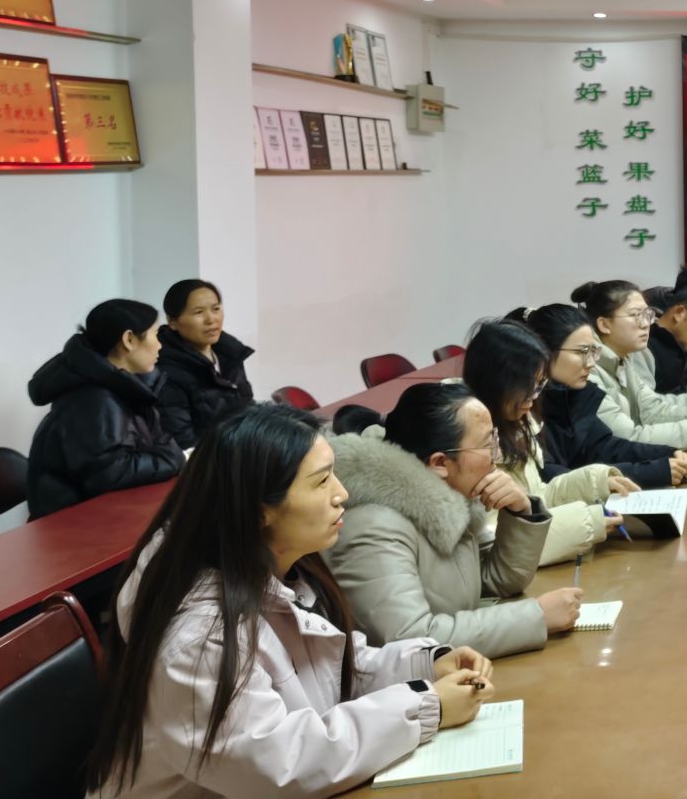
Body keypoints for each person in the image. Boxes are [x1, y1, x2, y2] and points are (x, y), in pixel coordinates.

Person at [83, 403, 494, 799]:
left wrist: (426, 664)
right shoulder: (199, 637)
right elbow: (277, 767)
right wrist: (426, 706)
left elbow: (334, 670)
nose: (342, 494)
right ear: (260, 508)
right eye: (321, 481)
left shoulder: (275, 570)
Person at [325, 382, 577, 657]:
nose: (496, 457)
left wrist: (520, 511)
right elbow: (409, 639)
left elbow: (495, 579)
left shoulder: (451, 497)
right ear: (440, 463)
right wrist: (536, 617)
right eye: (487, 445)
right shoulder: (373, 527)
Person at [461, 317, 636, 566]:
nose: (533, 396)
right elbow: (497, 542)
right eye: (526, 386)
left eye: (539, 384)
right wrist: (589, 522)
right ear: (495, 383)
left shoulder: (517, 424)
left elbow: (538, 496)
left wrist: (597, 482)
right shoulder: (470, 447)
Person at [27, 299, 184, 519]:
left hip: (107, 513)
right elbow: (109, 474)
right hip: (73, 525)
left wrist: (170, 456)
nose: (160, 345)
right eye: (155, 335)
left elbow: (157, 442)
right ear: (129, 340)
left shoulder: (127, 387)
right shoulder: (93, 399)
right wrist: (171, 458)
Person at [516, 303, 687, 489]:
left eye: (593, 352)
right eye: (581, 352)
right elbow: (554, 477)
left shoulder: (575, 396)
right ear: (545, 352)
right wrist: (655, 472)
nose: (591, 363)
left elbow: (605, 447)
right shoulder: (525, 407)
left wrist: (668, 454)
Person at [574, 278, 687, 448]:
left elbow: (652, 410)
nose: (646, 324)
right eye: (635, 315)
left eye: (647, 315)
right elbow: (626, 437)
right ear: (604, 324)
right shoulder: (584, 370)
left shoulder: (622, 360)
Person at [152, 278, 255, 448]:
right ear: (173, 321)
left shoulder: (230, 355)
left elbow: (248, 408)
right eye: (198, 312)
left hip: (242, 450)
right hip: (206, 458)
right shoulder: (167, 370)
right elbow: (183, 441)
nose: (211, 319)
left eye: (216, 309)